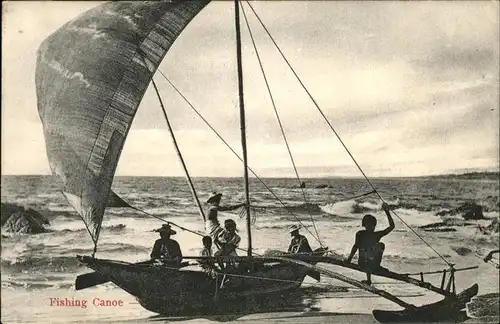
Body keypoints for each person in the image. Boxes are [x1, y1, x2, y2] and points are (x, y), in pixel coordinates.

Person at [346, 202, 395, 285]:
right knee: (368, 248)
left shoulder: (376, 235)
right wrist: (349, 260)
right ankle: (369, 279)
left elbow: (391, 227)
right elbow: (355, 247)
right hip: (363, 263)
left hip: (372, 263)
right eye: (369, 225)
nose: (371, 227)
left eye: (373, 225)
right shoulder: (360, 234)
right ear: (365, 225)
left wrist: (387, 211)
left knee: (381, 245)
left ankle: (376, 268)